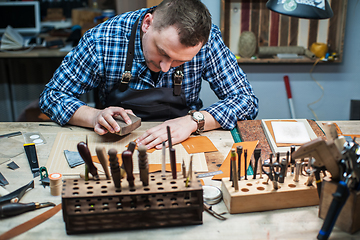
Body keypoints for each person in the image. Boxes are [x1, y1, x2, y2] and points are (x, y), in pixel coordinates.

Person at [39, 0, 258, 150]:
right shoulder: (103, 39)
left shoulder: (208, 41)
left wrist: (194, 121)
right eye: (162, 53)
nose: (165, 67)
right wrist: (94, 116)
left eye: (180, 61)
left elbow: (246, 101)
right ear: (147, 24)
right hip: (115, 143)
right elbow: (52, 96)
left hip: (182, 140)